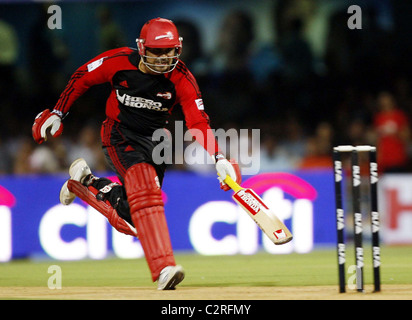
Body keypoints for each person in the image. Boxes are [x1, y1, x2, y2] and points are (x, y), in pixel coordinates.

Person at [32, 18, 241, 290]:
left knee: (131, 219)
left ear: (178, 49)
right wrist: (59, 112)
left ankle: (84, 182)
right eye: (157, 51)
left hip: (156, 141)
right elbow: (82, 76)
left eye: (169, 51)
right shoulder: (118, 61)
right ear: (141, 48)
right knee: (144, 187)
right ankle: (164, 268)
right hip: (119, 134)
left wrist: (219, 157)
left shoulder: (181, 79)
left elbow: (198, 123)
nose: (164, 59)